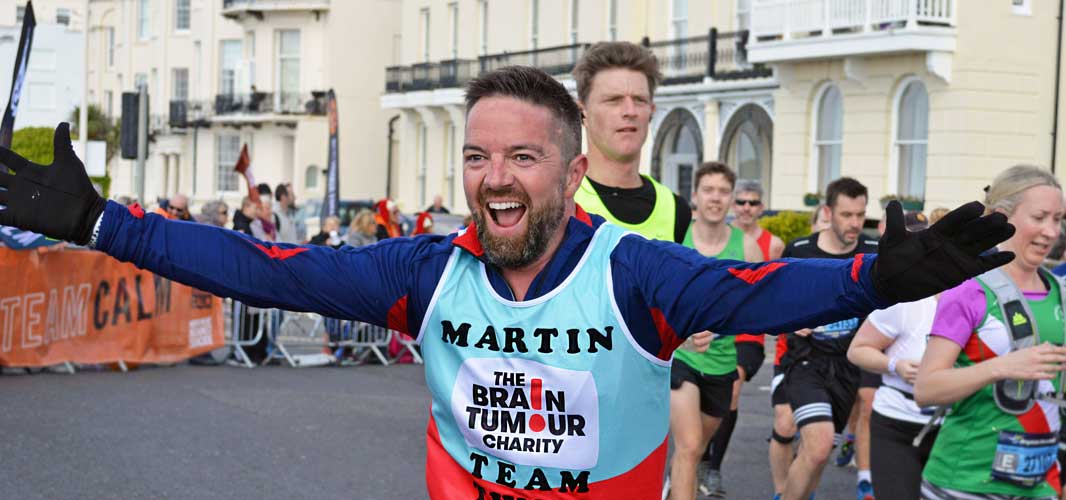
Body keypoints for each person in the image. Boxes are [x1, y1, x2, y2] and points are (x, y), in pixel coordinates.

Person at [0, 68, 1013, 499]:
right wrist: (100, 222)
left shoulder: (636, 274)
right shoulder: (424, 271)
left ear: (571, 173)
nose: (494, 176)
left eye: (522, 157)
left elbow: (758, 293)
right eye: (479, 156)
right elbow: (266, 264)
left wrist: (875, 274)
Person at [916, 165, 1066, 500]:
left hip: (1041, 482)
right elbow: (926, 388)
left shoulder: (1060, 292)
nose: (1051, 231)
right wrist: (1003, 367)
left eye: (1058, 219)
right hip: (965, 481)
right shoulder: (969, 291)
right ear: (1003, 217)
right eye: (1040, 217)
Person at [777, 177, 881, 500]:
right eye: (846, 215)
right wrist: (793, 319)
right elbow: (773, 299)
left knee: (817, 453)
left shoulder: (873, 254)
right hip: (805, 360)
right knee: (819, 445)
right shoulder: (800, 252)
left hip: (847, 365)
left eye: (860, 215)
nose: (854, 224)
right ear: (827, 212)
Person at [668, 162, 762, 500]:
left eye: (723, 192)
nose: (715, 198)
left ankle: (675, 480)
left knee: (694, 449)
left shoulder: (747, 248)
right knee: (691, 446)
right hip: (681, 356)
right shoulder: (677, 238)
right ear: (695, 196)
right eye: (709, 190)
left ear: (732, 199)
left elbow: (757, 306)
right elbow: (657, 297)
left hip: (723, 363)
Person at [847, 211, 938, 500]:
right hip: (897, 418)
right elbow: (857, 350)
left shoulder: (973, 298)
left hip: (950, 425)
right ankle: (863, 474)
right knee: (865, 402)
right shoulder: (905, 298)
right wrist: (895, 365)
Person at [703, 178, 781, 496]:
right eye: (742, 202)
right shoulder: (714, 237)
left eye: (753, 203)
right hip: (711, 331)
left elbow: (770, 290)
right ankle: (699, 453)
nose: (746, 208)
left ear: (761, 208)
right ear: (734, 206)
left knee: (732, 388)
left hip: (748, 335)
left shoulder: (772, 245)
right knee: (702, 400)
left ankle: (713, 468)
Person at [571, 41, 691, 244]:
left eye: (639, 100)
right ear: (583, 111)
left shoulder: (675, 209)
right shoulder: (561, 201)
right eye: (614, 100)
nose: (630, 111)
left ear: (651, 111)